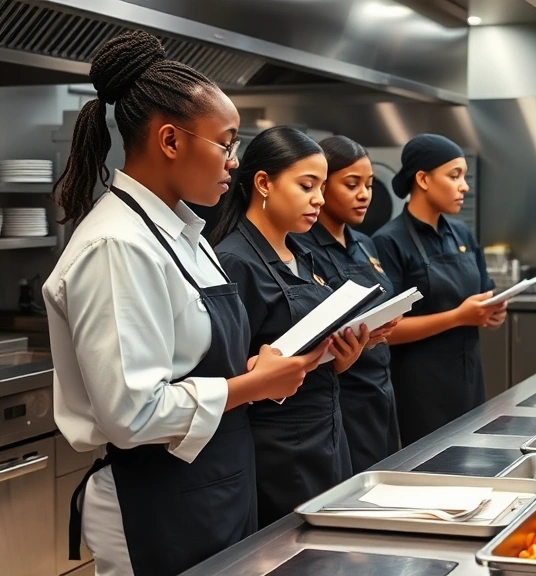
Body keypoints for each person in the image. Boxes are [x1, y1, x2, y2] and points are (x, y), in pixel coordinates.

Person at [44, 30, 327, 576]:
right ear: (170, 141)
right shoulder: (116, 244)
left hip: (213, 484)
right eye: (226, 143)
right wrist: (255, 385)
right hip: (155, 498)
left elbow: (195, 363)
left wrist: (266, 367)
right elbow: (134, 413)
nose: (234, 162)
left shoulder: (186, 233)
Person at [208, 126, 373, 527]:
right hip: (278, 447)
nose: (319, 198)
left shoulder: (301, 251)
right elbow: (227, 373)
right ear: (263, 182)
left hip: (327, 428)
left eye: (320, 185)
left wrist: (340, 357)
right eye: (307, 185)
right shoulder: (236, 261)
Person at [372, 134, 507, 446]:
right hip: (419, 389)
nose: (464, 187)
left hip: (468, 378)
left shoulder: (461, 233)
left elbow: (484, 293)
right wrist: (459, 317)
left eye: (464, 177)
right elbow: (387, 331)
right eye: (454, 176)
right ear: (423, 179)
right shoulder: (389, 241)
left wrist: (493, 311)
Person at [292, 135, 402, 473]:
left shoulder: (365, 243)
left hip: (381, 388)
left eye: (368, 184)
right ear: (322, 187)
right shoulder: (301, 247)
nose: (364, 194)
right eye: (352, 184)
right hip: (343, 393)